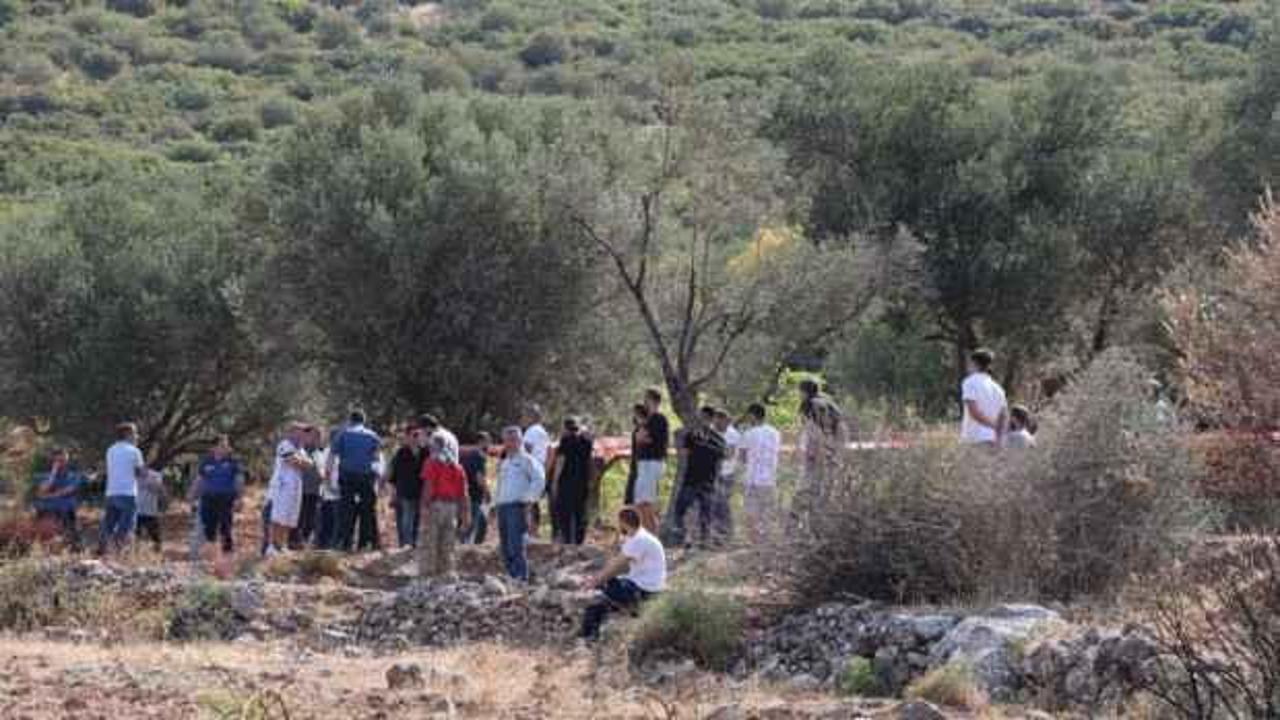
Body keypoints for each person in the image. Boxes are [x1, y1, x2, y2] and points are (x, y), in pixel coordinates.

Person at [580, 506, 665, 640]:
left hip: (644, 590)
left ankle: (588, 638)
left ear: (623, 523)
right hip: (645, 586)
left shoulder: (639, 540)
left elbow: (615, 566)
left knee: (595, 602)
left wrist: (593, 582)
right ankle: (594, 633)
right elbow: (619, 565)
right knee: (604, 588)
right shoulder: (640, 537)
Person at [493, 427, 545, 581]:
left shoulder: (527, 460)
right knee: (505, 546)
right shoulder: (505, 462)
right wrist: (494, 505)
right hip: (503, 507)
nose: (511, 443)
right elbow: (500, 485)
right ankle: (511, 576)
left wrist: (528, 500)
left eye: (514, 440)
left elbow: (539, 480)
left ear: (520, 441)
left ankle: (520, 578)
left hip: (517, 507)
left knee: (515, 544)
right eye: (508, 440)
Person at [673, 406, 726, 548]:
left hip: (701, 480)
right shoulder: (698, 436)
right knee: (693, 509)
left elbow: (684, 454)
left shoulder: (714, 438)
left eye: (703, 417)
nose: (701, 420)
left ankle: (700, 539)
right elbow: (684, 453)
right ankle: (691, 538)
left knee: (697, 510)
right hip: (698, 478)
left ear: (708, 418)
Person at [330, 410, 382, 552]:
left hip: (347, 476)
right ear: (363, 421)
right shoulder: (373, 436)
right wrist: (378, 480)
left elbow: (332, 457)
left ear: (350, 420)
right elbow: (377, 460)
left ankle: (346, 543)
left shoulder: (342, 434)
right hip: (366, 477)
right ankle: (363, 544)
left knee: (346, 510)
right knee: (367, 510)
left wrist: (328, 478)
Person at [418, 434, 470, 578]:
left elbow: (428, 487)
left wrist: (424, 507)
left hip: (436, 505)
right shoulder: (458, 467)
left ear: (434, 446)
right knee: (447, 543)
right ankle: (445, 574)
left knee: (430, 541)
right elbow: (464, 495)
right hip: (451, 508)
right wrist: (465, 517)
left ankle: (427, 576)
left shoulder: (432, 462)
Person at [795, 379, 844, 532]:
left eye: (799, 392)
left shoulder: (808, 405)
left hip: (817, 457)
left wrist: (812, 454)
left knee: (807, 493)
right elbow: (842, 431)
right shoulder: (831, 405)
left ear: (804, 391)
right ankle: (822, 529)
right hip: (833, 456)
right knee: (826, 495)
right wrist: (836, 453)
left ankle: (809, 530)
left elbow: (813, 432)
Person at [265, 422, 313, 556]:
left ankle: (282, 545)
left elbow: (309, 464)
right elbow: (292, 461)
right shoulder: (284, 444)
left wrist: (301, 461)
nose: (304, 435)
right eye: (301, 431)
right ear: (292, 432)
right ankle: (272, 546)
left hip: (295, 488)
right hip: (282, 487)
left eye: (305, 432)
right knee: (278, 517)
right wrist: (301, 461)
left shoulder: (301, 449)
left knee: (289, 518)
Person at [99, 422, 146, 556]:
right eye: (135, 433)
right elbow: (140, 472)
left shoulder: (110, 449)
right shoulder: (134, 451)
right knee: (126, 526)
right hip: (128, 493)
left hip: (111, 492)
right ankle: (119, 553)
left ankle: (103, 551)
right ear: (128, 434)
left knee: (108, 524)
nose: (137, 436)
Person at [192, 435, 242, 559]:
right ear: (213, 448)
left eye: (226, 445)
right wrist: (192, 496)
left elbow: (238, 480)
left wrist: (239, 498)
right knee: (209, 528)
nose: (226, 448)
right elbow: (199, 480)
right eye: (222, 445)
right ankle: (211, 557)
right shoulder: (206, 461)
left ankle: (228, 556)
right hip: (208, 498)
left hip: (226, 498)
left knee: (226, 527)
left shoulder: (232, 461)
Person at [738, 403, 781, 545]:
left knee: (751, 512)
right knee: (767, 512)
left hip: (753, 479)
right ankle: (767, 541)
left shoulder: (749, 433)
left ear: (752, 415)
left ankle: (754, 541)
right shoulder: (775, 432)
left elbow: (742, 457)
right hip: (770, 478)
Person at [632, 388, 670, 533]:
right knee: (639, 503)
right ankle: (646, 534)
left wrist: (641, 430)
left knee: (646, 502)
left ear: (652, 400)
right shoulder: (648, 419)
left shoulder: (658, 419)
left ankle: (653, 535)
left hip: (652, 462)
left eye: (646, 398)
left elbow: (644, 439)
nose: (644, 401)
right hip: (644, 463)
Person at [550, 417, 594, 545]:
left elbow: (560, 462)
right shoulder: (586, 442)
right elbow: (589, 461)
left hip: (566, 482)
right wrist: (591, 480)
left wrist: (554, 482)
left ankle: (568, 541)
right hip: (582, 482)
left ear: (565, 428)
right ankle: (579, 541)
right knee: (580, 513)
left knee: (565, 513)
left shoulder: (565, 441)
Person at [33, 448, 83, 551]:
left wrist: (48, 496)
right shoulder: (45, 476)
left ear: (67, 460)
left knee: (69, 532)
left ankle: (72, 546)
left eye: (63, 460)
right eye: (58, 461)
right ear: (53, 460)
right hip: (46, 509)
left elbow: (68, 490)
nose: (61, 463)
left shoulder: (73, 475)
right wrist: (53, 473)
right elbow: (41, 491)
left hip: (65, 508)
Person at [389, 422, 428, 548]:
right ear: (407, 436)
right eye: (414, 435)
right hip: (405, 491)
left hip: (420, 491)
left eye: (418, 434)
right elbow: (394, 475)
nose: (416, 437)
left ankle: (413, 543)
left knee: (416, 518)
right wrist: (393, 493)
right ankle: (407, 544)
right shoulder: (401, 453)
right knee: (407, 517)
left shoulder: (425, 453)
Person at [960, 348, 1008, 448]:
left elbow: (974, 412)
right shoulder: (998, 388)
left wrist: (993, 425)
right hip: (993, 438)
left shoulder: (969, 382)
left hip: (975, 438)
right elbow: (1003, 415)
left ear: (974, 363)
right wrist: (999, 435)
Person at [521, 404, 551, 537]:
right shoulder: (543, 431)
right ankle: (534, 531)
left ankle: (530, 531)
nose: (522, 419)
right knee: (534, 502)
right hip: (539, 469)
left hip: (530, 470)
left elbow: (526, 450)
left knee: (527, 503)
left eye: (524, 416)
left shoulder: (531, 431)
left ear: (531, 416)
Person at [711, 408, 740, 543]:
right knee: (714, 504)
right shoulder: (711, 431)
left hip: (727, 473)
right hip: (713, 473)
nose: (717, 425)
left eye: (720, 422)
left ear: (726, 421)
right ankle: (717, 534)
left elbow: (730, 454)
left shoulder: (733, 434)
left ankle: (727, 532)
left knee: (723, 503)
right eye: (715, 422)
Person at [292, 427, 324, 548]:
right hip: (301, 490)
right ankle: (294, 542)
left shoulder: (320, 453)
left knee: (311, 519)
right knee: (299, 518)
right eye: (314, 436)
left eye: (318, 437)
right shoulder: (299, 451)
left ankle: (304, 542)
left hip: (315, 491)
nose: (316, 439)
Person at [459, 432, 491, 545]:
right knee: (472, 524)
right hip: (475, 494)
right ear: (481, 441)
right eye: (488, 441)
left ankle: (471, 545)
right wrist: (487, 492)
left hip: (463, 493)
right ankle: (465, 546)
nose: (489, 444)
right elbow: (479, 477)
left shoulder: (465, 454)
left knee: (480, 521)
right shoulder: (479, 456)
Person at [313, 428, 341, 550]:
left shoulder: (341, 453)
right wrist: (329, 486)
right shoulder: (325, 453)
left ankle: (332, 546)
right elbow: (323, 473)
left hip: (338, 494)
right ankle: (323, 547)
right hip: (328, 494)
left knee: (334, 523)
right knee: (326, 523)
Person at [134, 467, 165, 553]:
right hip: (135, 511)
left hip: (150, 511)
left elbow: (160, 491)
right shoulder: (130, 475)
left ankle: (158, 553)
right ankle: (134, 553)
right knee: (135, 535)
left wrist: (149, 481)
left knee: (154, 534)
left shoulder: (155, 475)